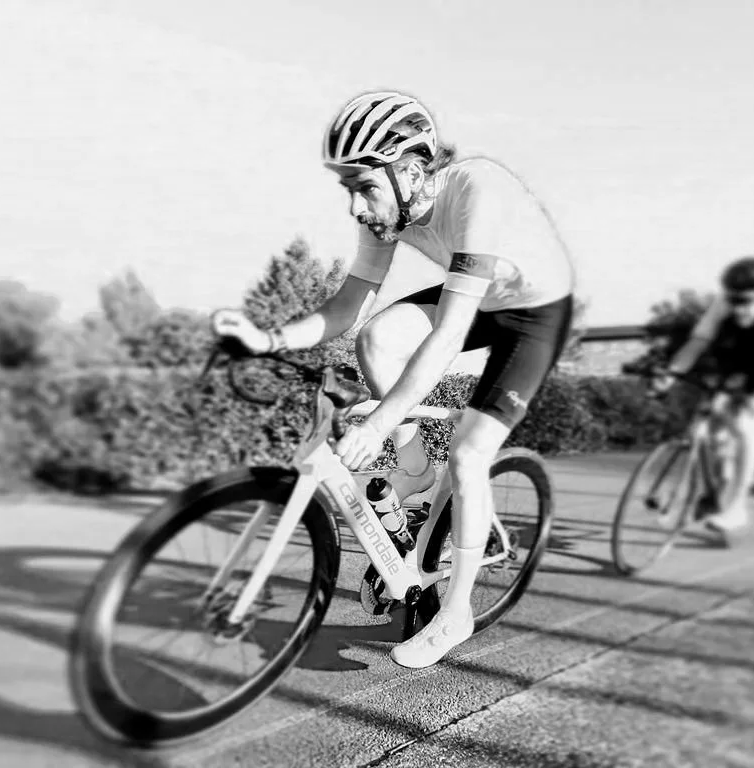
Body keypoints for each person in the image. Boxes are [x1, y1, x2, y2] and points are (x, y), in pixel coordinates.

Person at [211, 91, 576, 668]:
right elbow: (348, 305)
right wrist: (269, 339)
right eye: (348, 189)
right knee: (376, 338)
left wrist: (379, 421)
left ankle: (455, 614)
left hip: (534, 313)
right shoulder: (390, 210)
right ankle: (413, 468)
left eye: (364, 187)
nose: (357, 207)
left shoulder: (478, 191)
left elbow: (449, 333)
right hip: (479, 298)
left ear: (410, 169)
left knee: (470, 453)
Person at [653, 257, 754, 531]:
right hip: (744, 362)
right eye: (734, 301)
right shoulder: (724, 303)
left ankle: (737, 507)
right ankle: (724, 484)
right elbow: (697, 343)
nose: (739, 309)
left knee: (744, 425)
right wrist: (670, 375)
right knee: (715, 427)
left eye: (748, 302)